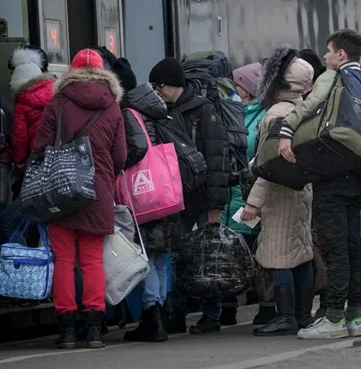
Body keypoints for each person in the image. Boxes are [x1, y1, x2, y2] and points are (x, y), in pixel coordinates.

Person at [279, 29, 361, 339]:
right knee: (353, 246)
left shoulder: (333, 76)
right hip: (359, 173)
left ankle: (333, 318)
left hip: (332, 172)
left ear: (341, 55)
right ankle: (355, 316)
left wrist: (286, 131)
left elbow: (308, 106)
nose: (327, 57)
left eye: (330, 52)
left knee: (335, 250)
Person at [34, 49, 127, 349]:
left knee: (63, 259)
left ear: (70, 71)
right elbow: (121, 156)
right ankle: (94, 328)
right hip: (97, 192)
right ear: (103, 73)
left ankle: (66, 330)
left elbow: (41, 146)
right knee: (91, 261)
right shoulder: (112, 106)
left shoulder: (58, 102)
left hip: (61, 190)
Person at [149, 57, 230, 335]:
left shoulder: (203, 110)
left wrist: (216, 204)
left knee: (209, 256)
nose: (157, 91)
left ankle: (212, 315)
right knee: (176, 255)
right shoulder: (161, 111)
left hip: (202, 197)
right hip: (174, 196)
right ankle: (176, 312)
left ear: (173, 85)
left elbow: (218, 158)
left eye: (160, 85)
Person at [242, 45, 315, 336]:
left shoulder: (275, 115)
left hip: (278, 193)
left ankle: (285, 315)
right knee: (302, 252)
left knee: (278, 254)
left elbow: (267, 166)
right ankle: (303, 315)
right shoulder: (305, 109)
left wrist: (253, 203)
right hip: (302, 191)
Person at [102, 50, 173, 343]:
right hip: (159, 192)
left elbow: (137, 149)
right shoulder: (151, 109)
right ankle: (159, 313)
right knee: (156, 254)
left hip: (141, 194)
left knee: (144, 253)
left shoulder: (128, 112)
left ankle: (151, 315)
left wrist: (118, 165)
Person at [218, 61, 274, 326]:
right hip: (232, 195)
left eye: (237, 85)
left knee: (259, 252)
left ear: (249, 89)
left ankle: (266, 303)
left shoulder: (264, 116)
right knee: (231, 252)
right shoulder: (231, 112)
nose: (233, 90)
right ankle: (228, 305)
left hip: (253, 192)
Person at [9, 45, 55, 166]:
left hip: (37, 157)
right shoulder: (56, 95)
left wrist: (19, 162)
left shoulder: (22, 102)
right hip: (59, 156)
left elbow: (20, 139)